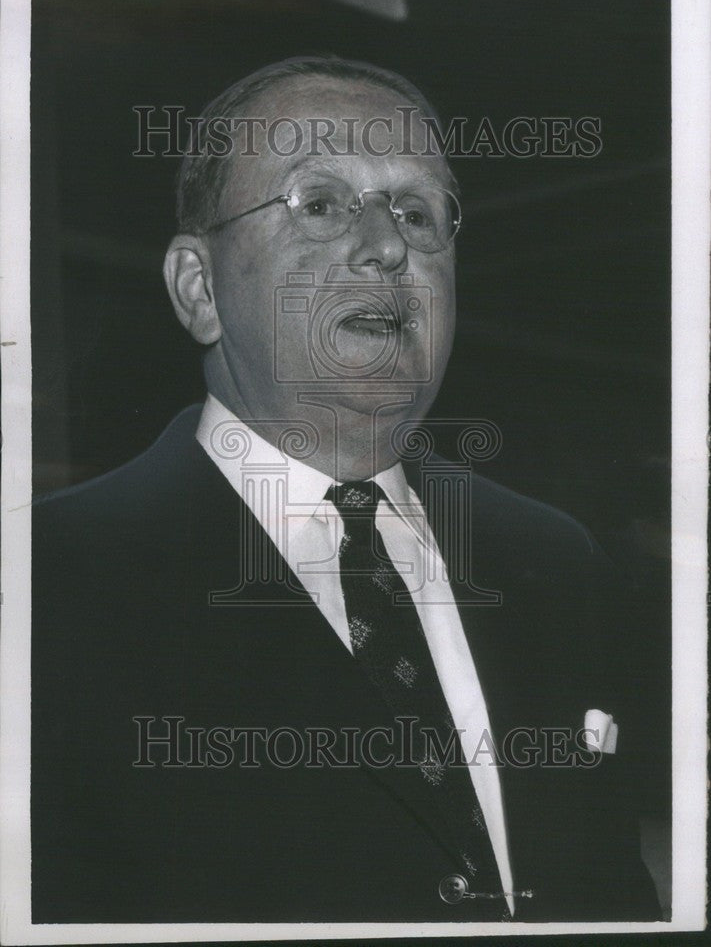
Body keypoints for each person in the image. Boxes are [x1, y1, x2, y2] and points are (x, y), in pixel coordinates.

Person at [31, 56, 660, 924]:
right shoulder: (44, 589)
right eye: (319, 204)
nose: (388, 245)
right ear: (199, 288)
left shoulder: (553, 561)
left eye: (416, 210)